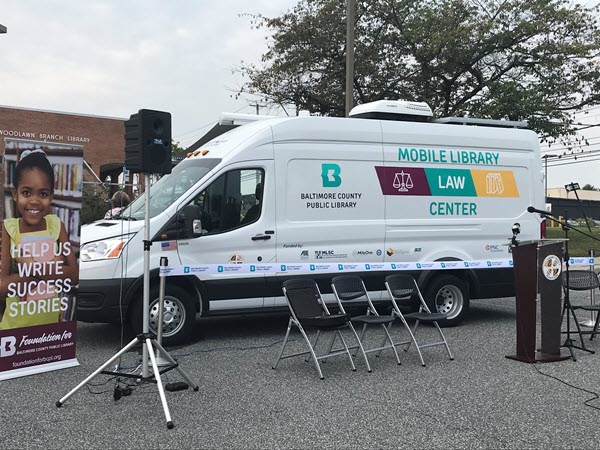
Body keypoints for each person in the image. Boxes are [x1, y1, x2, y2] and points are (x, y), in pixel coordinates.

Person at [0, 149, 79, 329]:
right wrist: (54, 264)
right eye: (26, 193)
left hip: (50, 329)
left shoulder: (56, 225)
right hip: (14, 329)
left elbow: (73, 276)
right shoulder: (9, 227)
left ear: (51, 196)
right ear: (15, 194)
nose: (34, 201)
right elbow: (3, 288)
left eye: (42, 194)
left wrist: (29, 265)